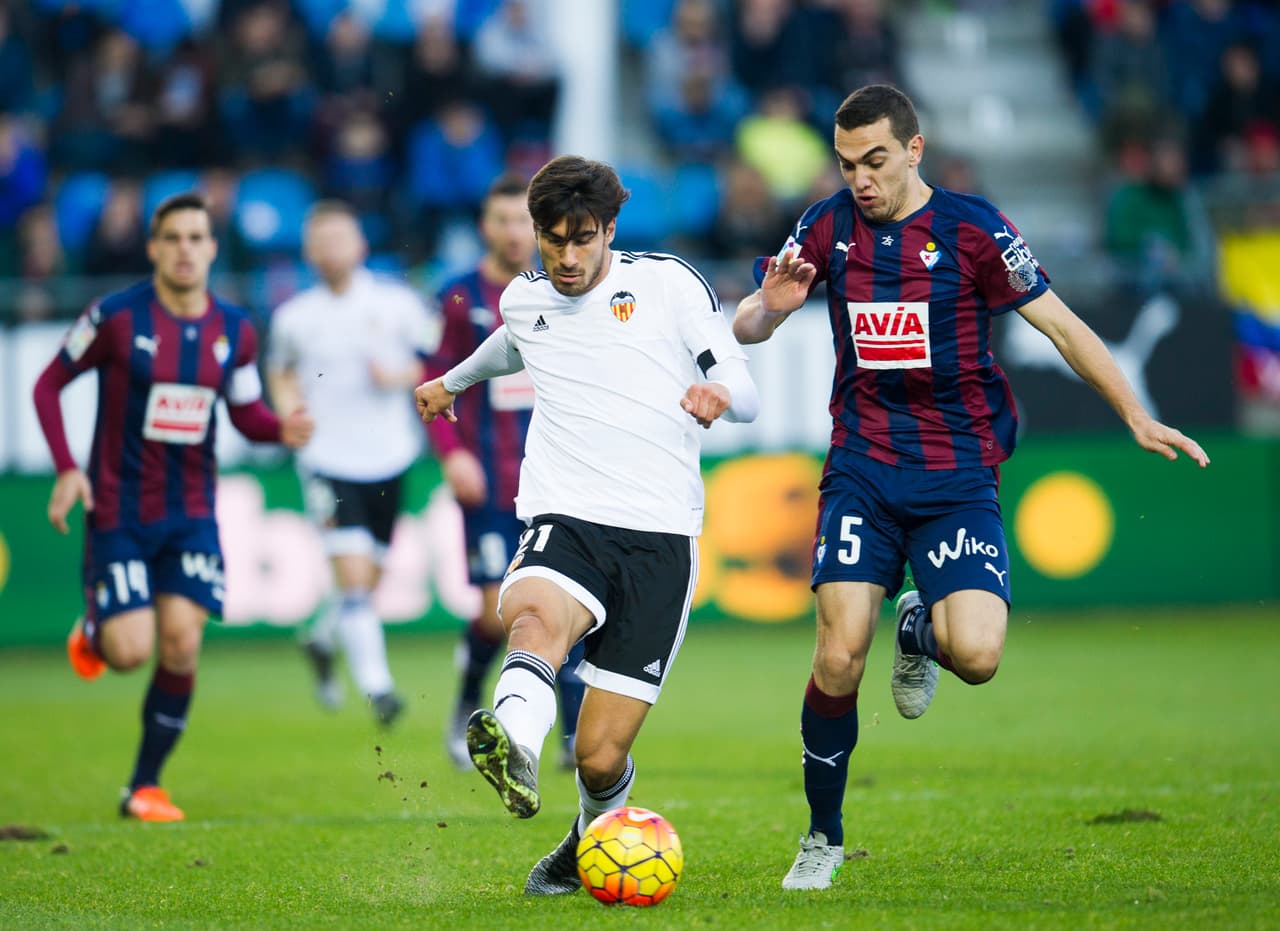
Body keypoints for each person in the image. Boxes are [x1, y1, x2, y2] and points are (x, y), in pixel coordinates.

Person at [731, 84, 1211, 891]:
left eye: (875, 160)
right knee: (840, 652)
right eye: (847, 164)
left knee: (978, 656)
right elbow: (749, 320)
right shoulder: (825, 226)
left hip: (957, 472)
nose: (860, 179)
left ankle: (920, 628)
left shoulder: (974, 229)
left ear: (914, 150)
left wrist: (1134, 411)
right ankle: (822, 834)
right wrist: (768, 310)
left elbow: (1058, 323)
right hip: (862, 465)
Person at [414, 155, 759, 896]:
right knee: (532, 615)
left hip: (659, 536)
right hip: (564, 512)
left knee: (601, 759)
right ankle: (517, 742)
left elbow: (746, 380)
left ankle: (582, 836)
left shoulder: (668, 284)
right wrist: (452, 382)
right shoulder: (522, 298)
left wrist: (719, 393)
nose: (567, 258)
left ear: (610, 229)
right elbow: (512, 340)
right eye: (552, 240)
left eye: (582, 240)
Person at [31, 191, 314, 822]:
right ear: (154, 248)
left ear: (212, 249)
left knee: (182, 644)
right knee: (129, 653)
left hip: (191, 514)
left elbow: (244, 411)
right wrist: (66, 470)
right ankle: (97, 629)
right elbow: (47, 384)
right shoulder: (116, 318)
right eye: (173, 238)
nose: (185, 249)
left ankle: (144, 787)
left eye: (196, 238)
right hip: (119, 512)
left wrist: (279, 428)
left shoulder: (235, 331)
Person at [428, 174, 586, 772]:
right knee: (497, 608)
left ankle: (571, 734)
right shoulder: (459, 298)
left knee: (567, 599)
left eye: (525, 220)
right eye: (503, 220)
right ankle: (467, 704)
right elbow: (435, 383)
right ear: (485, 228)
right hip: (492, 481)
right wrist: (452, 453)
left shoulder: (566, 290)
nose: (515, 231)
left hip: (562, 480)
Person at [267, 200, 438, 726]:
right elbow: (280, 372)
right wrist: (289, 413)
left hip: (390, 454)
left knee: (369, 578)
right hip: (326, 458)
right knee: (356, 574)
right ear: (308, 252)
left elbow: (437, 357)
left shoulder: (396, 303)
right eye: (321, 240)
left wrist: (403, 374)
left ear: (361, 245)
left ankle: (321, 639)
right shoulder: (295, 317)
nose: (332, 249)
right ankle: (379, 688)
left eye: (341, 237)